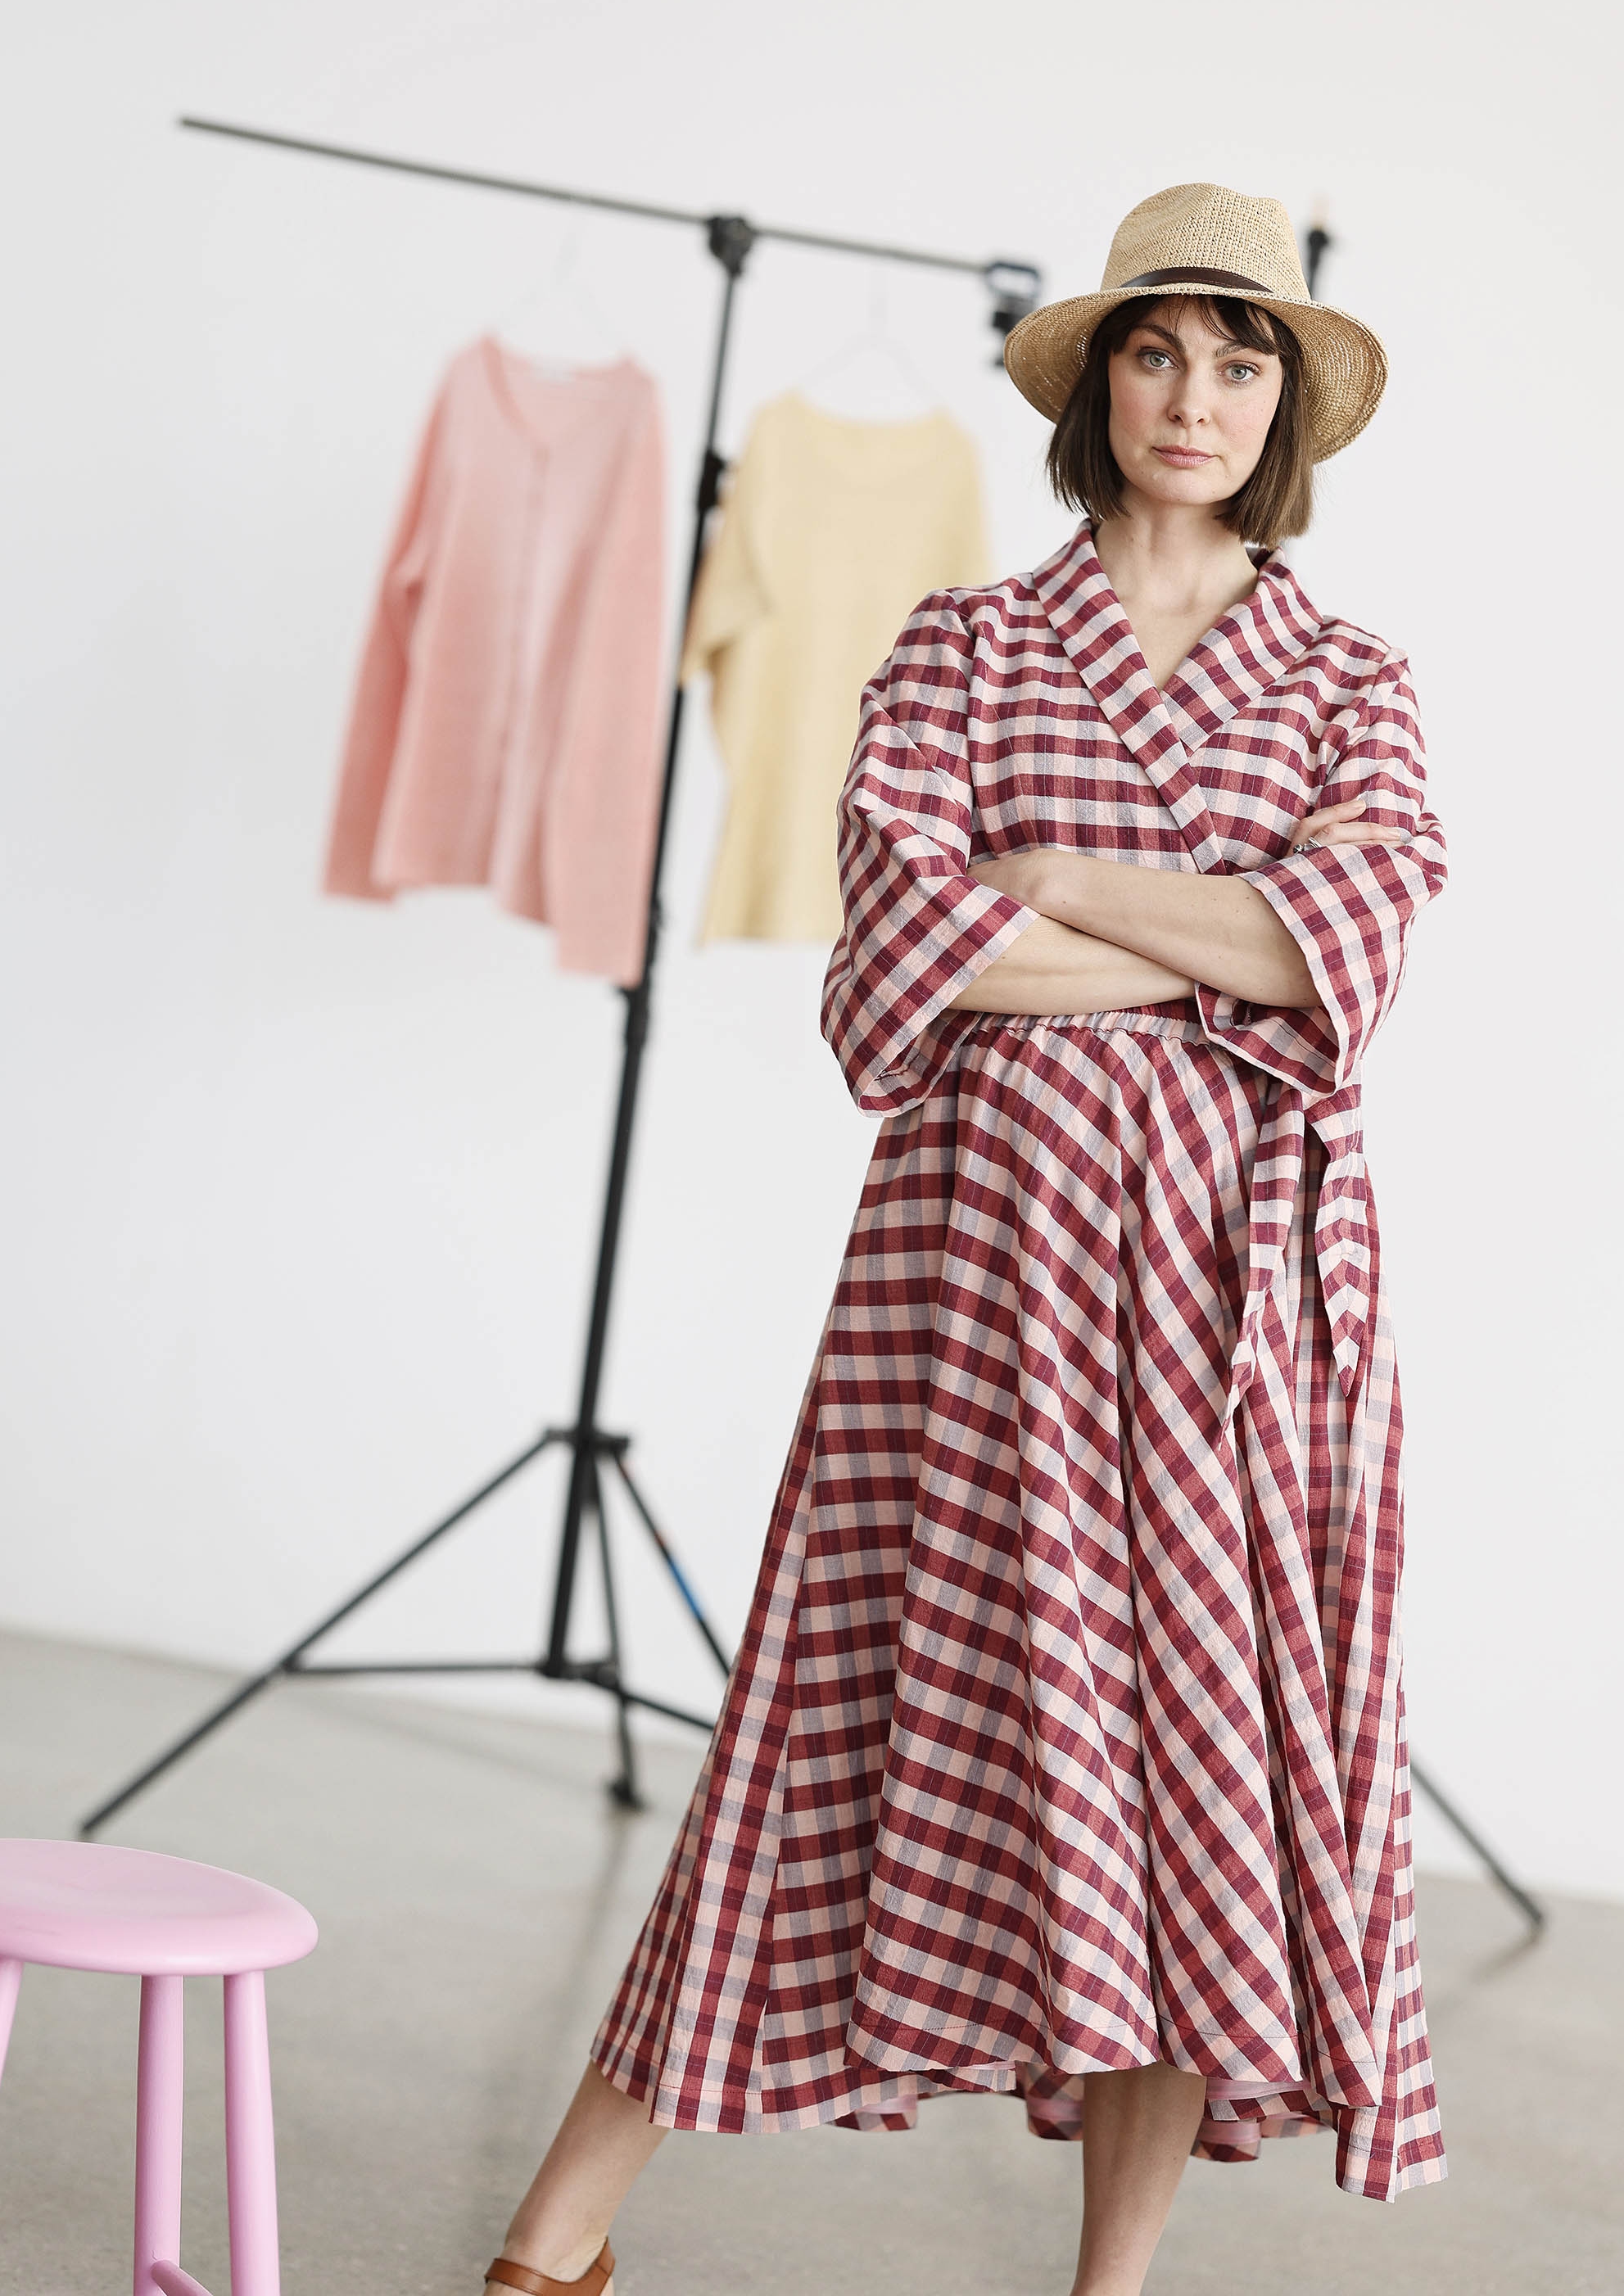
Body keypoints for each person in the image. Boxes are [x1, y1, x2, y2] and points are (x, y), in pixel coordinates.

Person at [475, 183, 1450, 2296]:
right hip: (966, 1293)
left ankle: (1113, 2286)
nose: (1196, 395)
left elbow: (1348, 955)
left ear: (1284, 405)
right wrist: (1218, 951)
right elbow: (904, 954)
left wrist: (1062, 872)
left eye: (1240, 358)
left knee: (1187, 1787)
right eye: (1159, 350)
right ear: (1099, 379)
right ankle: (552, 2239)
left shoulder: (1352, 682)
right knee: (816, 1725)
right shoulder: (964, 643)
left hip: (1234, 1321)